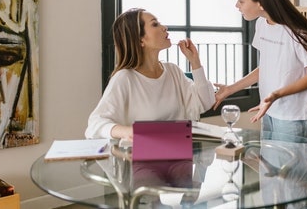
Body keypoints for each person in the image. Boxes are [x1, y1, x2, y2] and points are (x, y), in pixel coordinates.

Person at [213, 0, 307, 140]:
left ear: (260, 2)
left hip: (294, 116)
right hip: (269, 109)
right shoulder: (262, 24)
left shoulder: (297, 32)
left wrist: (276, 94)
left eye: (241, 1)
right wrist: (230, 89)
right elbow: (266, 67)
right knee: (269, 167)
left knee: (291, 167)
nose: (237, 5)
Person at [85, 8, 215, 140]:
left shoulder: (173, 71)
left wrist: (195, 62)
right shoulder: (125, 78)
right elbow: (95, 125)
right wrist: (128, 132)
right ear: (140, 40)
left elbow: (205, 102)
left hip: (180, 153)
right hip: (142, 157)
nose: (164, 27)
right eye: (155, 24)